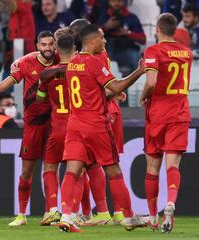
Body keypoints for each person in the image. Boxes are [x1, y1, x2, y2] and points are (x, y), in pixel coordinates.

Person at [59, 24, 146, 233]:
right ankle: (128, 216)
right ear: (91, 41)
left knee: (72, 171)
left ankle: (66, 215)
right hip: (95, 125)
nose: (104, 41)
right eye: (101, 38)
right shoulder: (94, 62)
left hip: (75, 123)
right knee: (113, 170)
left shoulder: (72, 64)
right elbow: (115, 86)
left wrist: (110, 95)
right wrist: (140, 71)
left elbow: (92, 94)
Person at [0, 31, 57, 226]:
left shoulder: (61, 58)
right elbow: (3, 86)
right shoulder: (25, 63)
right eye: (43, 44)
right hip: (33, 124)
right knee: (27, 171)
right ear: (37, 45)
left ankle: (50, 213)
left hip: (54, 123)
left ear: (55, 45)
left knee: (51, 168)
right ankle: (21, 215)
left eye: (50, 44)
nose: (47, 48)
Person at [140, 13, 193, 233]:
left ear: (157, 29)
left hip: (158, 114)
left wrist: (143, 95)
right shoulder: (187, 53)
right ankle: (170, 202)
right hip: (179, 113)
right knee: (173, 166)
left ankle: (152, 216)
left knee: (152, 168)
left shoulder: (153, 51)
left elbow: (151, 81)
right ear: (174, 30)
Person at [37, 30, 75, 226]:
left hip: (58, 128)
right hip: (77, 128)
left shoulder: (48, 75)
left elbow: (40, 99)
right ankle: (74, 212)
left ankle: (52, 210)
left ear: (57, 50)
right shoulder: (80, 69)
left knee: (50, 167)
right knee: (77, 171)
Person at [97, 0, 146, 76]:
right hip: (108, 49)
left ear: (124, 2)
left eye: (119, 1)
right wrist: (106, 27)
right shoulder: (103, 16)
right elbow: (94, 37)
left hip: (127, 48)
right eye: (113, 1)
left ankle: (135, 84)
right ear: (109, 2)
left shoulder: (132, 17)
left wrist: (128, 33)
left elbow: (143, 40)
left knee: (136, 57)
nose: (116, 3)